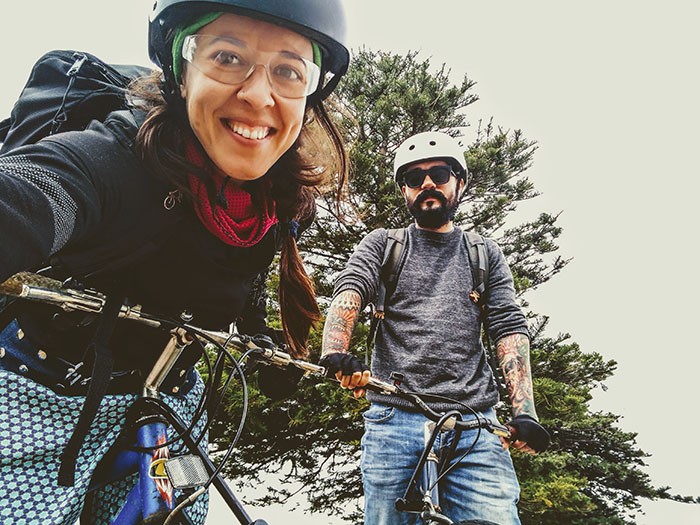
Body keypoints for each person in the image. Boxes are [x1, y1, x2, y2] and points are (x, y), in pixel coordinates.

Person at [0, 0, 350, 523]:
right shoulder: (120, 159)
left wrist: (264, 341)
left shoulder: (275, 200)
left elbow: (242, 278)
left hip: (171, 406)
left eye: (288, 70)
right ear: (180, 72)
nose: (258, 95)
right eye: (228, 57)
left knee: (178, 512)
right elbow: (33, 195)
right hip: (43, 397)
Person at [320, 131, 549, 525]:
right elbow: (351, 289)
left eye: (439, 173)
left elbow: (507, 325)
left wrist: (525, 412)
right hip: (394, 418)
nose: (427, 183)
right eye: (414, 177)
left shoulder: (484, 253)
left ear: (459, 182)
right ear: (405, 191)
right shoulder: (383, 244)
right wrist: (335, 350)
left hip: (476, 424)